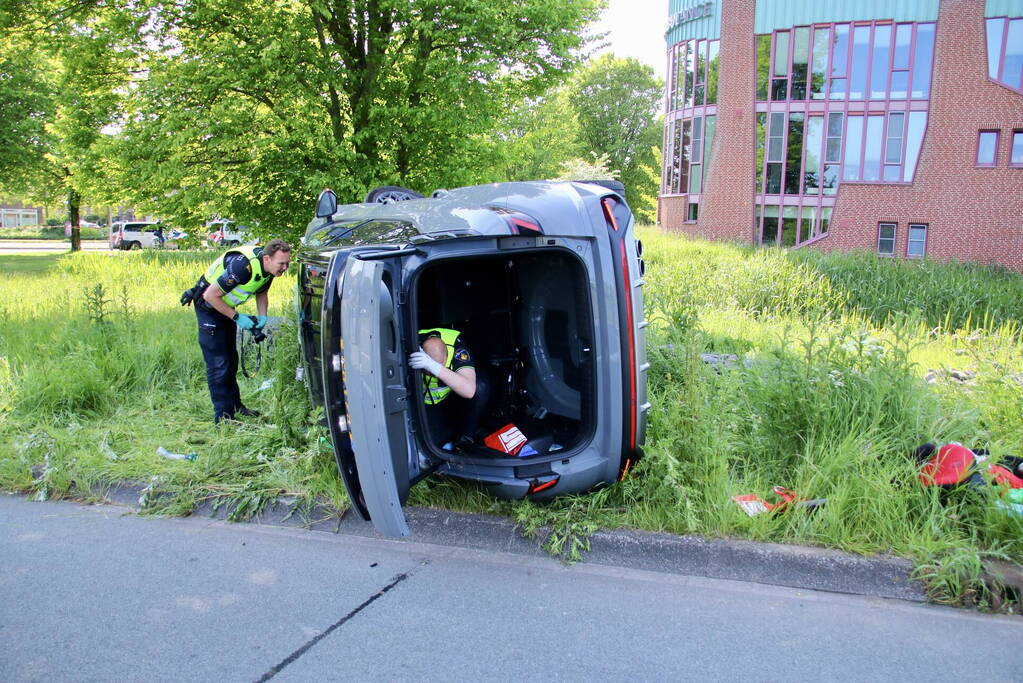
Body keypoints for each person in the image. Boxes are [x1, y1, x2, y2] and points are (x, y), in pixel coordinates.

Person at [181, 239, 292, 423]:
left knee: (231, 360)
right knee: (219, 364)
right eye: (281, 263)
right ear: (267, 259)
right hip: (209, 306)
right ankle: (223, 418)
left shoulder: (269, 270)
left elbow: (262, 293)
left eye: (287, 263)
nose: (285, 268)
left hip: (224, 307)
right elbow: (210, 295)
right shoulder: (243, 267)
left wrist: (262, 317)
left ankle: (234, 406)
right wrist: (237, 318)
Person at [408, 328, 490, 450]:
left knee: (480, 386)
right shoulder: (411, 342)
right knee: (428, 444)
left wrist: (433, 366)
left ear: (446, 358)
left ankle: (466, 439)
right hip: (420, 402)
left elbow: (469, 390)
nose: (432, 374)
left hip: (450, 399)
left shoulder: (456, 346)